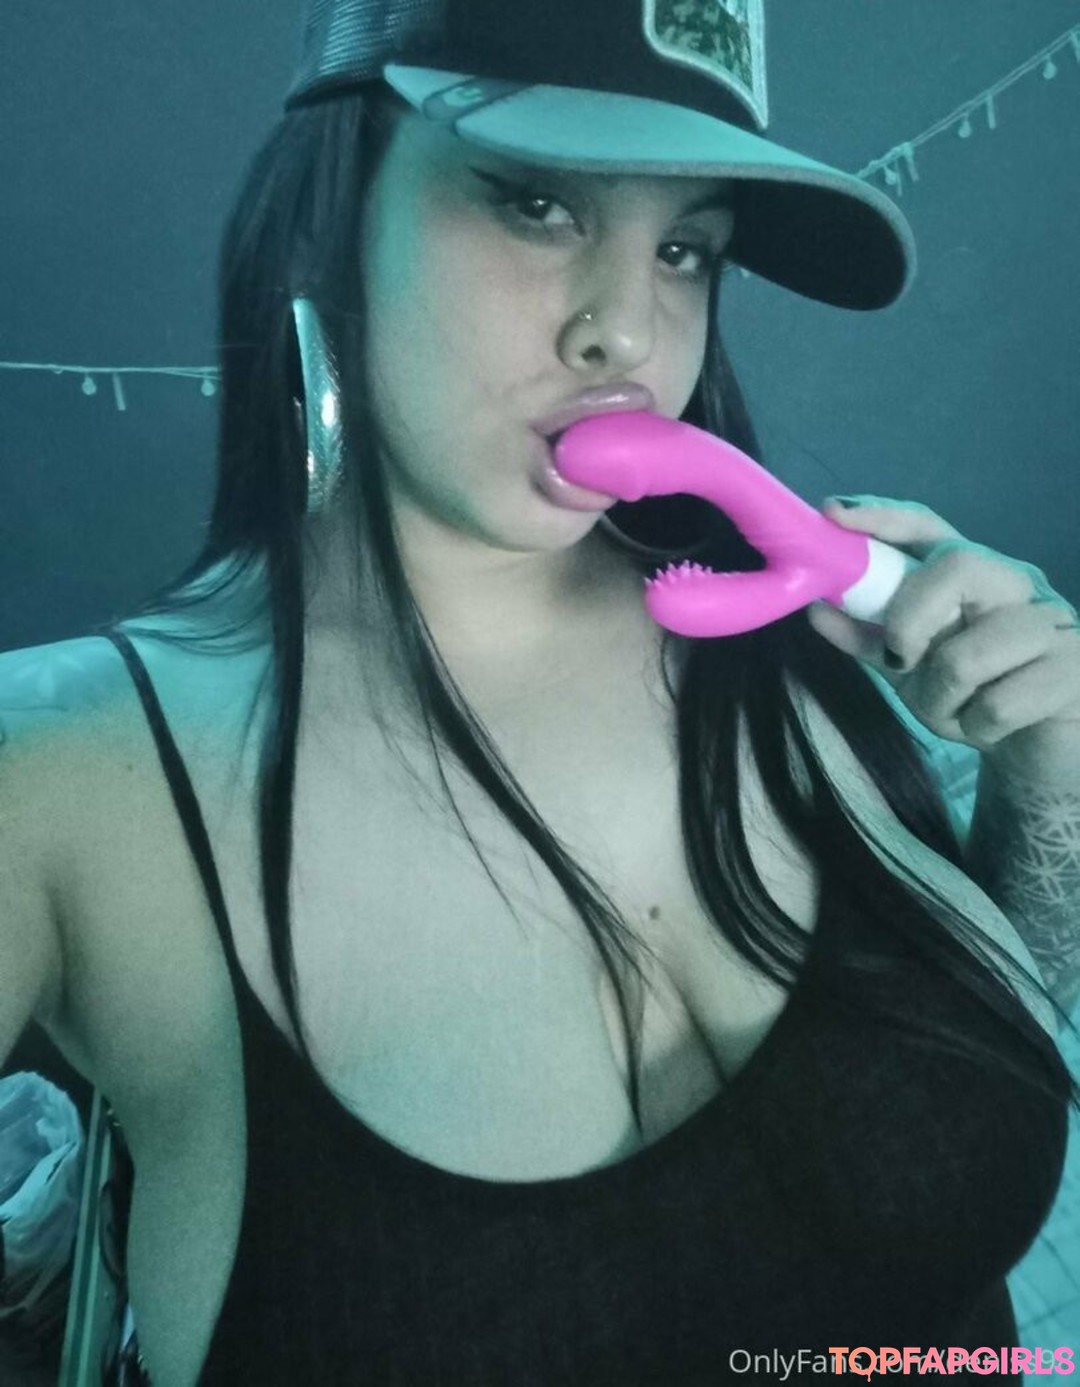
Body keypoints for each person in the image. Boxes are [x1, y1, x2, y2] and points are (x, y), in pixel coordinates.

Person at [2, 0, 1079, 1382]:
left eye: (685, 248)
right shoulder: (61, 770)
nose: (626, 333)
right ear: (330, 220)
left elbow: (994, 1032)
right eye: (536, 205)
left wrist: (1049, 765)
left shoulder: (794, 628)